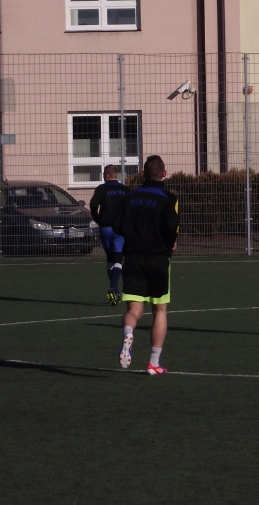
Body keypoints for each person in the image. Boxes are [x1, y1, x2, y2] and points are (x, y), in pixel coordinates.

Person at [116, 155, 180, 375]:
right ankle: (154, 363)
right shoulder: (169, 198)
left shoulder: (130, 197)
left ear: (143, 174)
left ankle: (128, 332)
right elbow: (172, 226)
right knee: (160, 310)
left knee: (133, 310)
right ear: (164, 174)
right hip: (158, 259)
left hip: (133, 258)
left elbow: (119, 225)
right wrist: (171, 242)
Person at [89, 165, 130, 305]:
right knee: (118, 259)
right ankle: (114, 288)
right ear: (115, 175)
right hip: (120, 229)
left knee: (110, 259)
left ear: (107, 176)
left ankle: (115, 291)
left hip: (106, 228)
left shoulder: (102, 189)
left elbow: (93, 205)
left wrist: (97, 218)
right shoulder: (125, 190)